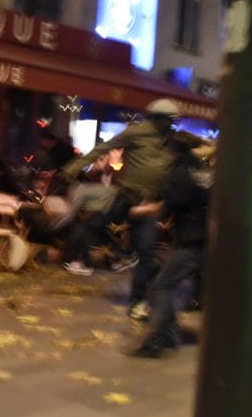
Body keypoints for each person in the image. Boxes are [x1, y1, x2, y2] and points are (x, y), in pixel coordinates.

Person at [62, 99, 178, 319]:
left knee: (145, 252)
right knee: (93, 225)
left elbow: (199, 147)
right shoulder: (138, 132)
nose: (169, 125)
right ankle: (116, 256)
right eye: (167, 121)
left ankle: (137, 299)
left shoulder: (172, 138)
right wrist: (74, 167)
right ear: (157, 119)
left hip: (148, 204)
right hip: (126, 196)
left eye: (172, 122)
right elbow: (105, 147)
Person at [127, 132, 212, 358]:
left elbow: (168, 205)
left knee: (161, 287)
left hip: (191, 241)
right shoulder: (204, 171)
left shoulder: (180, 173)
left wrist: (139, 210)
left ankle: (156, 341)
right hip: (208, 239)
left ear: (172, 151)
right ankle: (170, 335)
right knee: (169, 285)